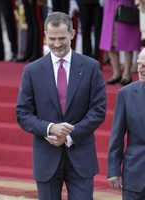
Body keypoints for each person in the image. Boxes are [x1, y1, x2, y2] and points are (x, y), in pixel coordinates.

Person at [16, 12, 106, 199]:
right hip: (46, 157)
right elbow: (23, 114)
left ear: (72, 34)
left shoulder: (91, 67)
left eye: (62, 38)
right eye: (52, 38)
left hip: (81, 156)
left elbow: (98, 110)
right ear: (45, 36)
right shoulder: (32, 70)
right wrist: (50, 128)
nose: (57, 44)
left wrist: (68, 136)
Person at [107, 48, 145, 199]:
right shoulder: (126, 94)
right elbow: (117, 135)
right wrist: (113, 170)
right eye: (139, 64)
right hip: (135, 175)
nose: (140, 69)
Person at [100, 0, 141, 86]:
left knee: (127, 41)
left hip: (126, 6)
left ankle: (127, 74)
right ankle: (116, 73)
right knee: (110, 42)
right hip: (110, 7)